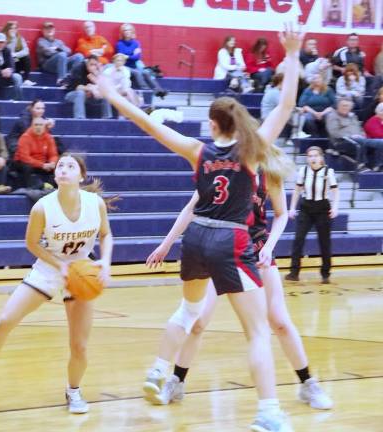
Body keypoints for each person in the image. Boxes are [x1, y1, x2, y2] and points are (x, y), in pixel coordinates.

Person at [93, 24, 304, 431]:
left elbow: (147, 124)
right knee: (257, 332)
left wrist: (111, 93)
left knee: (189, 309)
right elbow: (286, 105)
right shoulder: (253, 148)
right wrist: (291, 54)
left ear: (212, 125)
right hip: (230, 239)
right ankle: (269, 413)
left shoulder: (197, 150)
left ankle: (159, 369)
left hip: (196, 238)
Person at [145, 176, 333, 410]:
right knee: (197, 321)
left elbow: (282, 214)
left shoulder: (268, 170)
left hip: (255, 250)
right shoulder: (222, 167)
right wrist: (165, 245)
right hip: (220, 250)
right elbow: (191, 208)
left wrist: (269, 246)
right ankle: (176, 382)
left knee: (280, 322)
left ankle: (308, 384)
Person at [0, 153, 114, 416]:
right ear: (56, 174)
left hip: (81, 268)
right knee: (5, 319)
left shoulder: (95, 204)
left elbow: (105, 234)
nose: (64, 169)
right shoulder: (42, 207)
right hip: (50, 268)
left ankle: (73, 391)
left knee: (79, 345)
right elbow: (32, 243)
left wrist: (105, 262)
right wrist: (59, 265)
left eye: (71, 166)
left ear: (81, 176)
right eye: (61, 165)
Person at [286, 147, 339, 284]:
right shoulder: (303, 171)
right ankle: (294, 272)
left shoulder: (328, 172)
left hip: (322, 208)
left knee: (324, 242)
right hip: (306, 208)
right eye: (310, 156)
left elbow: (335, 191)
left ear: (321, 157)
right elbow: (297, 190)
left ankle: (325, 273)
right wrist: (292, 208)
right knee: (298, 239)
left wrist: (335, 207)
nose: (313, 158)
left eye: (315, 155)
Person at [326, 98, 383, 170]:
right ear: (338, 106)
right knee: (362, 141)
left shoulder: (353, 116)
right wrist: (350, 136)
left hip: (359, 140)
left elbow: (360, 129)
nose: (345, 108)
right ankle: (361, 165)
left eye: (347, 106)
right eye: (343, 105)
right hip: (341, 142)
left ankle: (379, 166)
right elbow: (334, 132)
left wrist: (362, 135)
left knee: (375, 144)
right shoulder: (332, 116)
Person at [115, 23, 167, 97]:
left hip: (134, 65)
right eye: (125, 30)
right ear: (122, 32)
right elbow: (121, 57)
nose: (127, 31)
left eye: (129, 30)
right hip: (124, 66)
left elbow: (137, 57)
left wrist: (128, 56)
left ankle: (159, 91)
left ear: (132, 31)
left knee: (146, 73)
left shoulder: (136, 43)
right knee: (137, 72)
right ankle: (147, 91)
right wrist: (132, 54)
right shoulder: (119, 44)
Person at [12, 117, 59, 189]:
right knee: (26, 166)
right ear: (31, 126)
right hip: (23, 163)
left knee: (59, 165)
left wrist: (52, 163)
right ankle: (31, 187)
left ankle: (55, 187)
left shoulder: (49, 137)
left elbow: (53, 154)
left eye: (41, 125)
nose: (38, 127)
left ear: (44, 126)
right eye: (36, 125)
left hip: (42, 163)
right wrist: (42, 165)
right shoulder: (25, 137)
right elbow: (25, 158)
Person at [36, 21, 83, 86]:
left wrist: (56, 48)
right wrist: (59, 51)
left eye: (51, 28)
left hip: (62, 63)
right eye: (47, 28)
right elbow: (48, 53)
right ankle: (62, 80)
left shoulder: (59, 41)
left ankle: (74, 80)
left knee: (79, 56)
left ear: (54, 30)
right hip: (47, 65)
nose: (49, 30)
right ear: (43, 31)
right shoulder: (41, 41)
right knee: (62, 55)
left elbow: (69, 51)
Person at [2, 21, 35, 86]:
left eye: (15, 28)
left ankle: (26, 79)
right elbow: (6, 51)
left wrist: (15, 54)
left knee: (26, 58)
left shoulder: (19, 38)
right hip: (5, 61)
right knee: (14, 60)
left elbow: (26, 51)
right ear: (7, 29)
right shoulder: (3, 37)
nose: (13, 30)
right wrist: (12, 39)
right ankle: (12, 80)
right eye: (11, 28)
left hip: (15, 59)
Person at [363, 103, 383, 171]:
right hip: (370, 144)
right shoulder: (372, 121)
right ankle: (379, 166)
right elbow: (378, 135)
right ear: (380, 112)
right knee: (381, 142)